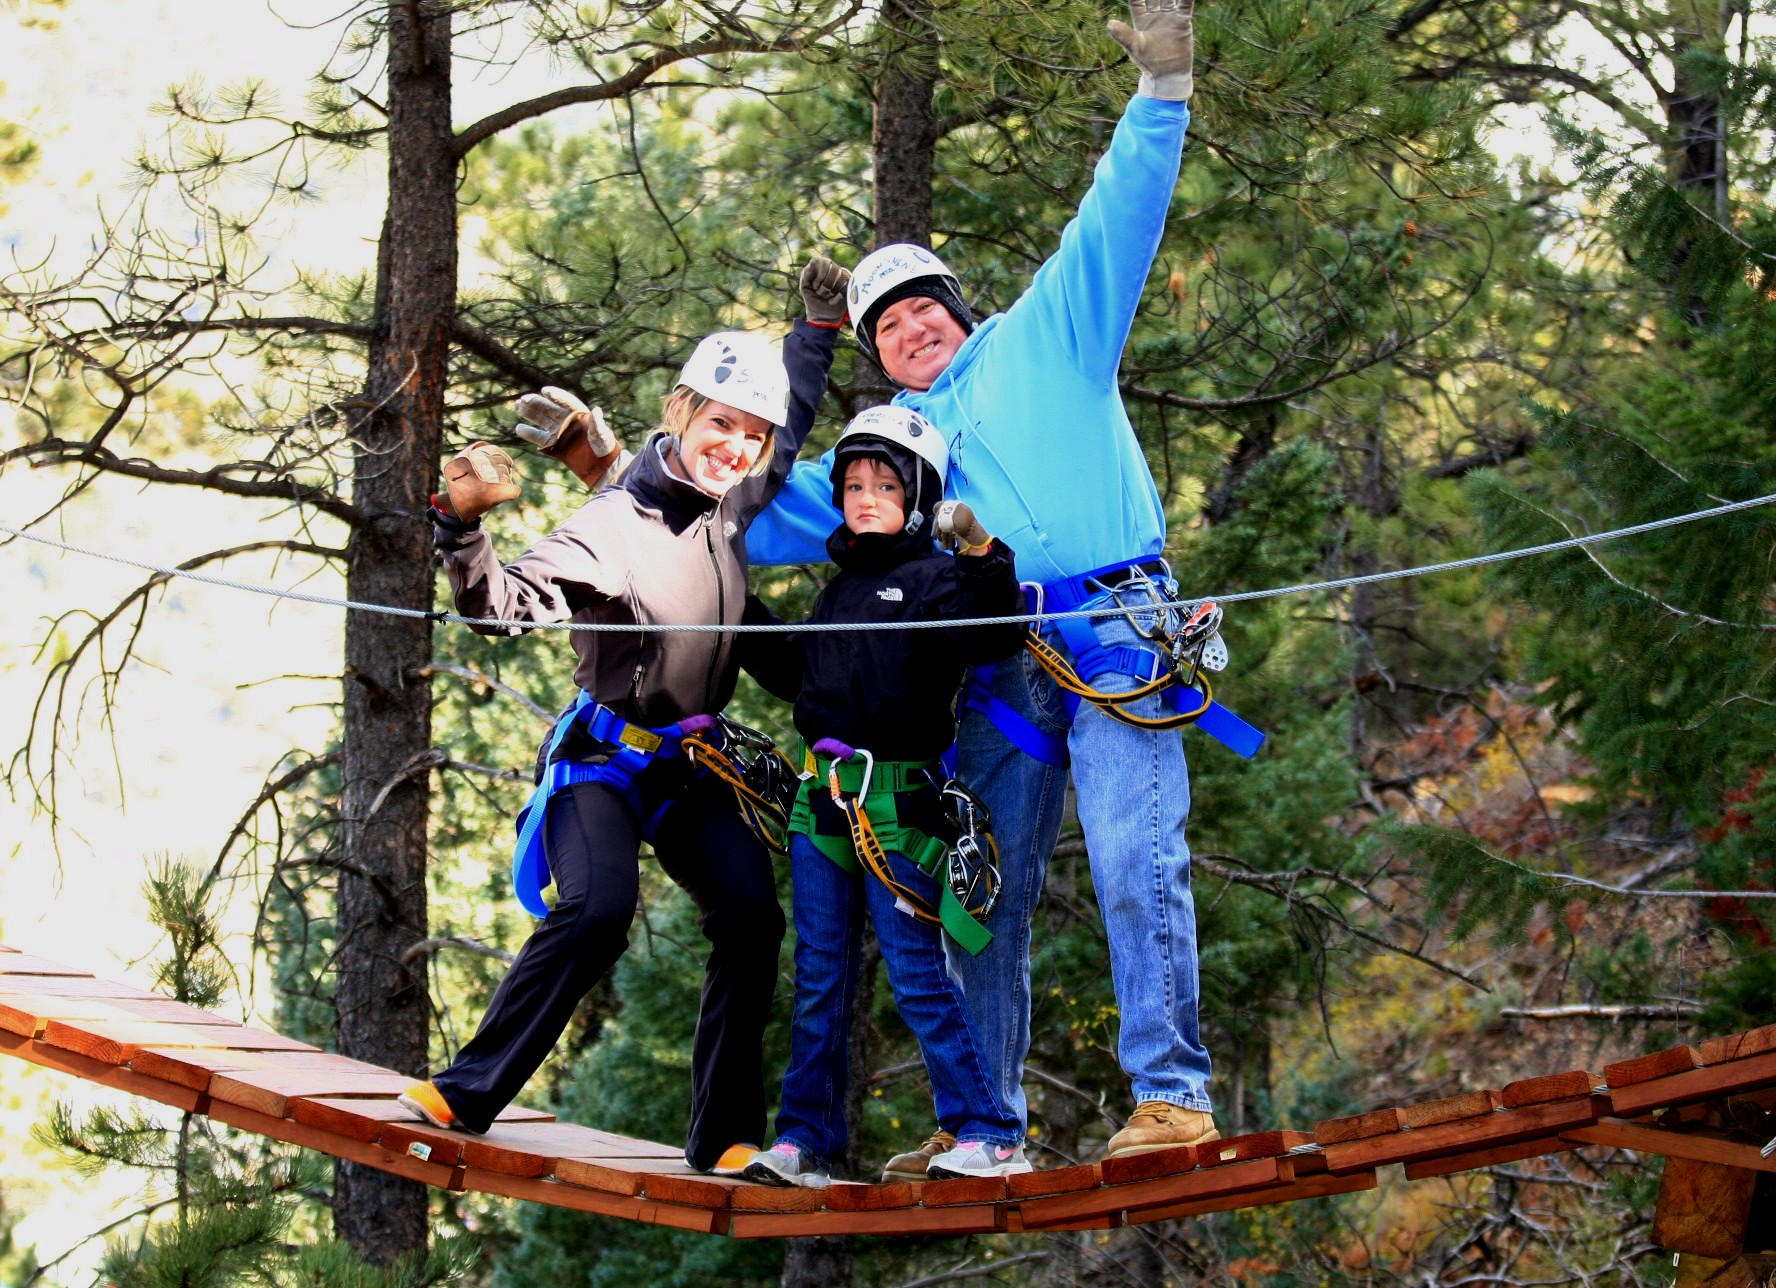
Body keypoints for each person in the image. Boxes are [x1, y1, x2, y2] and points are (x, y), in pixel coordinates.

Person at [747, 0, 1259, 1165]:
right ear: (872, 352)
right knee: (980, 894)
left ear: (960, 312)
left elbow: (1112, 222)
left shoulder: (1047, 337)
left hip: (1119, 629)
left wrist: (1162, 92)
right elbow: (752, 508)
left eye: (925, 303)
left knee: (1139, 858)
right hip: (994, 669)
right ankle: (984, 1128)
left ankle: (1172, 1098)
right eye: (886, 322)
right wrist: (611, 469)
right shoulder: (888, 453)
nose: (909, 324)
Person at [395, 266, 842, 1176]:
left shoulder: (738, 498)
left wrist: (818, 331)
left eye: (747, 436)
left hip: (690, 770)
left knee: (753, 919)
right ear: (682, 412)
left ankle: (723, 1139)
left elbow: (789, 421)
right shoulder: (613, 524)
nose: (737, 447)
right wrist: (459, 525)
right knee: (599, 911)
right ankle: (467, 1090)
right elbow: (498, 610)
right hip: (601, 764)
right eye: (722, 423)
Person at [736, 407, 1030, 1187]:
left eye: (885, 484)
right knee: (821, 974)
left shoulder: (938, 579)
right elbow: (800, 674)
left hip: (897, 804)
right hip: (822, 804)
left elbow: (998, 629)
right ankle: (806, 1142)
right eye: (853, 484)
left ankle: (990, 1131)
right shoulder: (839, 592)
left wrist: (977, 546)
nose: (865, 497)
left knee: (915, 973)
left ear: (918, 494)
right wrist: (735, 612)